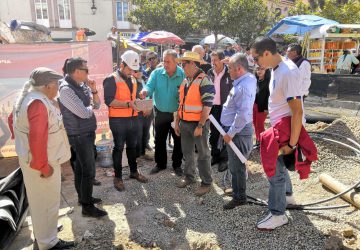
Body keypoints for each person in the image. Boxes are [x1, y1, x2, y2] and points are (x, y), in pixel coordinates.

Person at [13, 67, 75, 249]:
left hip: (36, 160)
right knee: (46, 202)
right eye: (56, 84)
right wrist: (42, 165)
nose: (58, 88)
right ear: (47, 86)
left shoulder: (29, 97)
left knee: (40, 201)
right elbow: (37, 138)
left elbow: (13, 121)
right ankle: (48, 243)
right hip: (42, 162)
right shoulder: (38, 103)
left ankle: (46, 231)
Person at [251, 37, 305, 230]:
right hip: (280, 127)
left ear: (266, 53)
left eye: (256, 59)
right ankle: (288, 196)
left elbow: (297, 111)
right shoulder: (277, 68)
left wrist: (292, 143)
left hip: (286, 130)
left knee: (274, 171)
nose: (255, 63)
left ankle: (277, 214)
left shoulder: (287, 72)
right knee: (280, 168)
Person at [58, 57, 107, 218]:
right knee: (88, 170)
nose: (88, 72)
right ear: (77, 72)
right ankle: (87, 207)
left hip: (86, 133)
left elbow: (98, 104)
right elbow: (84, 113)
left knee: (80, 168)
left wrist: (93, 91)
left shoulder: (82, 85)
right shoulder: (65, 89)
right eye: (86, 70)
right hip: (79, 135)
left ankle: (83, 198)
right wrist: (91, 105)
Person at [103, 50, 148, 191]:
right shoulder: (111, 79)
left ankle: (134, 172)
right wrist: (128, 104)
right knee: (118, 148)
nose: (131, 72)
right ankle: (118, 177)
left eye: (134, 70)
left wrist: (141, 103)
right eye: (129, 69)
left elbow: (133, 98)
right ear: (122, 65)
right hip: (118, 120)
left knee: (132, 147)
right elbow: (109, 101)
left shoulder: (133, 79)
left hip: (133, 118)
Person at [174, 51, 215, 196]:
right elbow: (181, 104)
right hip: (184, 123)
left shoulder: (205, 80)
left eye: (184, 64)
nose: (182, 66)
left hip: (198, 124)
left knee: (203, 154)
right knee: (187, 152)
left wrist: (200, 126)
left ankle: (206, 182)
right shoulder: (186, 81)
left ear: (192, 63)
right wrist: (177, 121)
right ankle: (189, 177)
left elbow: (207, 107)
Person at [139, 49, 184, 176]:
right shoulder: (157, 73)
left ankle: (177, 165)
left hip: (176, 114)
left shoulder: (182, 75)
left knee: (178, 140)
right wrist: (145, 91)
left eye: (168, 61)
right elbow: (149, 86)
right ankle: (160, 164)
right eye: (164, 61)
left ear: (176, 62)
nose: (165, 64)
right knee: (159, 139)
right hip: (160, 112)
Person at [220, 53, 256, 209]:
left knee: (237, 166)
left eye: (230, 68)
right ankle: (237, 191)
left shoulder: (243, 87)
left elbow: (242, 114)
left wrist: (231, 133)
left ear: (239, 69)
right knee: (234, 164)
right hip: (237, 130)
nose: (228, 71)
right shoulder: (247, 79)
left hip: (238, 132)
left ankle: (240, 197)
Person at [207, 50, 232, 172]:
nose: (213, 63)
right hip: (213, 107)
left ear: (222, 60)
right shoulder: (210, 72)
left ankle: (224, 159)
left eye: (215, 60)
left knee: (225, 133)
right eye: (211, 60)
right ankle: (215, 156)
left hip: (226, 108)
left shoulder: (229, 72)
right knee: (214, 133)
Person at [253, 66, 270, 146]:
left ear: (266, 70)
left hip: (262, 107)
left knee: (260, 124)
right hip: (254, 105)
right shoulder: (255, 80)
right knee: (255, 123)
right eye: (258, 69)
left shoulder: (268, 82)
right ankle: (258, 140)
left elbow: (268, 96)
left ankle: (263, 141)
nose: (259, 71)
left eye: (262, 69)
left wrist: (266, 108)